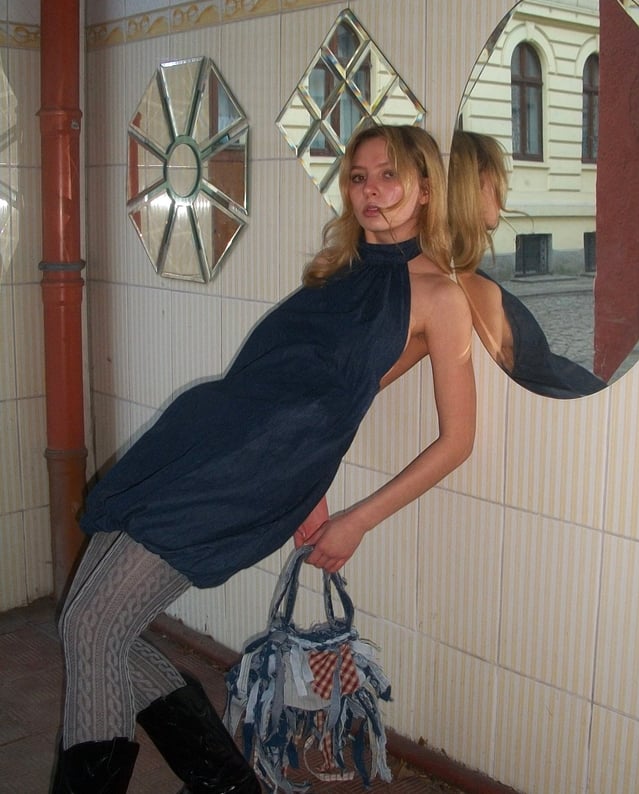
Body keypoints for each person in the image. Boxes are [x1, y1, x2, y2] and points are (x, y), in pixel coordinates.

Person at [52, 124, 476, 793]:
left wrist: (356, 518)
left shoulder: (441, 298)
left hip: (242, 475)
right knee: (88, 625)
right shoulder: (341, 271)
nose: (371, 191)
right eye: (359, 177)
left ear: (426, 189)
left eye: (389, 175)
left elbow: (458, 441)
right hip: (199, 437)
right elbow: (316, 389)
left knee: (92, 627)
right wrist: (313, 487)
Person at [448, 130, 606, 398]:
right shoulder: (471, 288)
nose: (502, 190)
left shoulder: (460, 275)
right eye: (495, 178)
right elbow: (489, 391)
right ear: (473, 187)